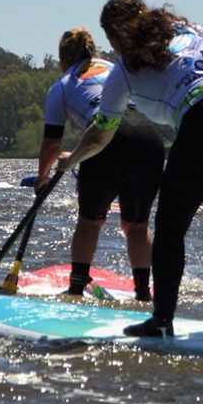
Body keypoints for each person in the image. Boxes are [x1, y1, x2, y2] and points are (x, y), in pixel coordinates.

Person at [57, 0, 203, 336]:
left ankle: (161, 320)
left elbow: (101, 133)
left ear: (114, 37)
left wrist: (72, 159)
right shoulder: (187, 30)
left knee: (171, 227)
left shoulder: (124, 70)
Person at [36, 27, 165, 301]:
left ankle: (76, 288)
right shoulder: (112, 66)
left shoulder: (62, 85)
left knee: (91, 221)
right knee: (137, 225)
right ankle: (144, 293)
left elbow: (51, 144)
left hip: (108, 138)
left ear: (62, 58)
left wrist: (42, 177)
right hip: (149, 138)